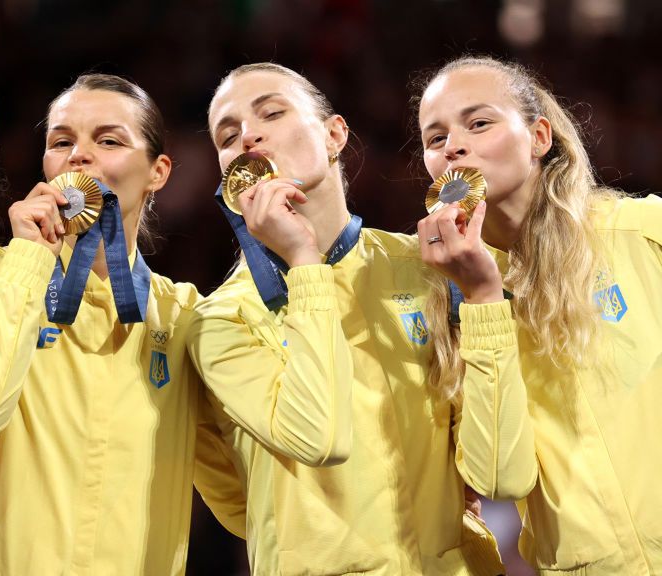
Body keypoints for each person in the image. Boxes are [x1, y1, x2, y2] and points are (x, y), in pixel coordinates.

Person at [0, 73, 244, 575]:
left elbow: (242, 502)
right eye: (61, 141)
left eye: (108, 140)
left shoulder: (183, 319)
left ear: (158, 172)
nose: (78, 155)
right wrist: (28, 260)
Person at [188, 62, 506, 575]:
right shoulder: (220, 320)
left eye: (272, 112)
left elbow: (485, 454)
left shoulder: (426, 267)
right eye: (228, 136)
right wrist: (304, 261)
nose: (248, 135)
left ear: (335, 135)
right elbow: (249, 489)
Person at [416, 55, 662, 574]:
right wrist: (483, 299)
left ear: (539, 137)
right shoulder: (449, 303)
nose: (453, 146)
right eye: (435, 139)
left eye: (478, 123)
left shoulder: (641, 233)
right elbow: (502, 477)